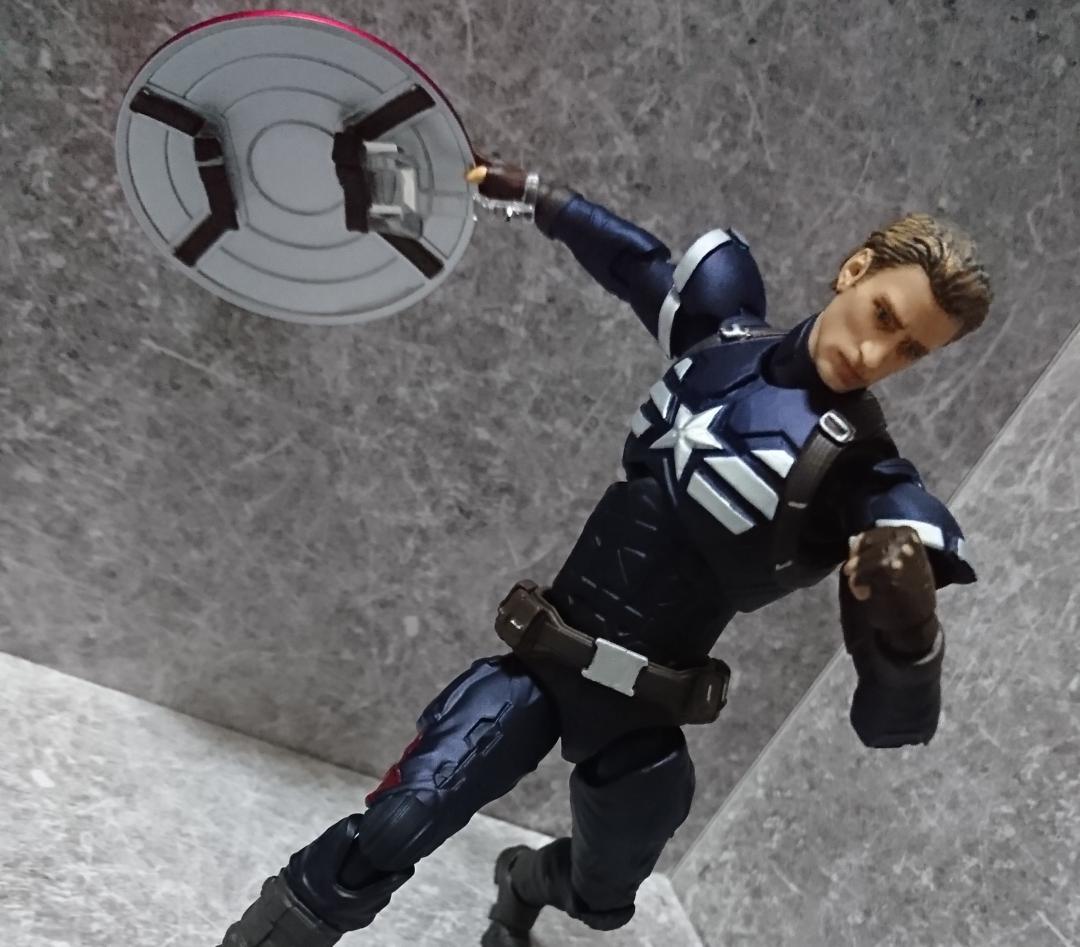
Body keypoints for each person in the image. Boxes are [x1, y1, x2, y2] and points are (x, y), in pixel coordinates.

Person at [216, 158, 991, 947]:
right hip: (541, 664)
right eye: (883, 315)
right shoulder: (720, 339)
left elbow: (890, 721)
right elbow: (635, 264)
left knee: (600, 898)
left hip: (639, 722)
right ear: (855, 270)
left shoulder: (860, 472)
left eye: (909, 350)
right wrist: (538, 196)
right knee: (396, 822)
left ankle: (521, 881)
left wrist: (908, 622)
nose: (875, 354)